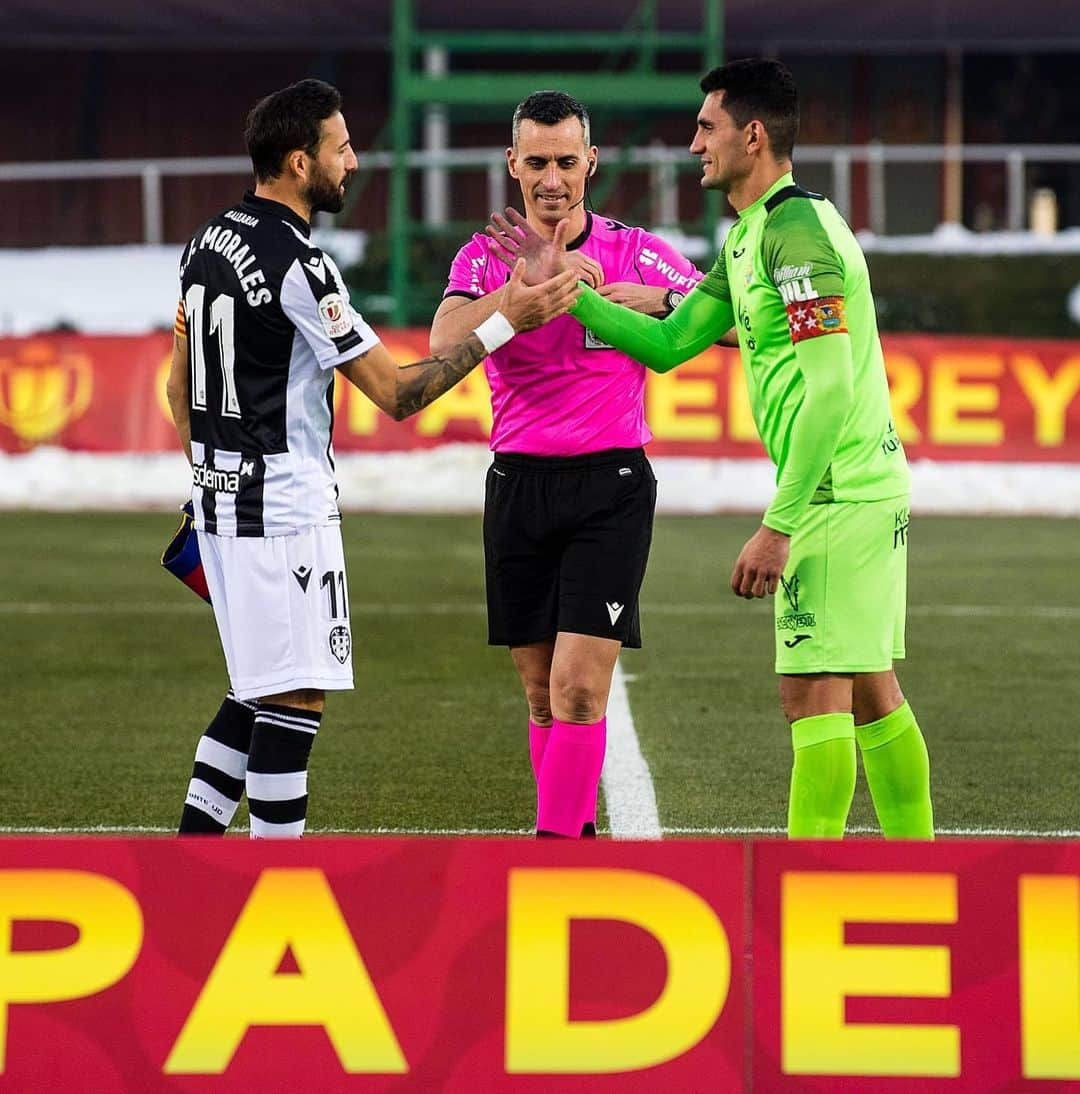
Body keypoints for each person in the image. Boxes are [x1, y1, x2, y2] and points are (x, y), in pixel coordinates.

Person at [492, 60, 934, 839]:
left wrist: (781, 521)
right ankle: (922, 867)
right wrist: (570, 288)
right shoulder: (754, 235)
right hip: (855, 488)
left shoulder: (795, 237)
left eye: (707, 127)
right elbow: (667, 344)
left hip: (837, 496)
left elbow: (830, 390)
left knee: (813, 696)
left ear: (752, 135)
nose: (693, 142)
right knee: (870, 689)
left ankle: (810, 895)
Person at [165, 78, 578, 838]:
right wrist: (505, 323)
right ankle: (274, 888)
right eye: (341, 147)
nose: (353, 162)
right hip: (284, 512)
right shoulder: (301, 266)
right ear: (298, 162)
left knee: (255, 689)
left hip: (223, 504)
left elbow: (176, 383)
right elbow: (396, 394)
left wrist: (214, 465)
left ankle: (191, 866)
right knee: (296, 699)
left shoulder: (207, 240)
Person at [429, 90, 702, 839]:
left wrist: (660, 302)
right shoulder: (485, 256)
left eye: (567, 161)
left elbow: (739, 319)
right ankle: (574, 843)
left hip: (610, 485)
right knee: (541, 696)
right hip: (518, 483)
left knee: (580, 690)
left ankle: (552, 865)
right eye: (538, 162)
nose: (553, 179)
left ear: (592, 162)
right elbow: (441, 338)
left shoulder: (635, 249)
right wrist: (515, 297)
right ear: (512, 165)